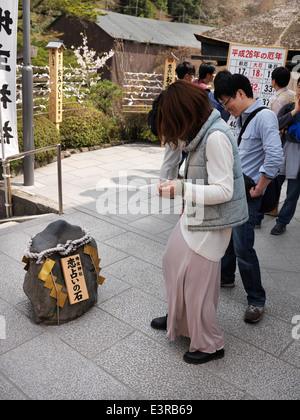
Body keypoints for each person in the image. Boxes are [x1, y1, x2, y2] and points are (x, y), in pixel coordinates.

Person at [151, 80, 248, 365]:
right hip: (198, 213)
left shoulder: (215, 137)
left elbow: (224, 191)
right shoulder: (200, 134)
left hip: (213, 221)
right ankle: (181, 322)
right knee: (172, 262)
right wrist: (178, 183)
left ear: (185, 114)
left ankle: (209, 344)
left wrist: (180, 189)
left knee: (196, 284)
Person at [214, 71, 284, 324]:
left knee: (243, 247)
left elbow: (275, 157)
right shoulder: (244, 117)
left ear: (241, 94)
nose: (225, 107)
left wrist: (259, 188)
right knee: (231, 237)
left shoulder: (264, 116)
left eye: (226, 101)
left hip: (250, 192)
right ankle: (226, 276)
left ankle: (256, 300)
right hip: (238, 189)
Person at [270, 77, 300, 236]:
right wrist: (294, 112)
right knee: (274, 184)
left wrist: (292, 129)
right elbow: (277, 124)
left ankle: (282, 222)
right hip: (284, 152)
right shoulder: (289, 106)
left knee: (293, 193)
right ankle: (261, 213)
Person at [159, 61, 196, 181]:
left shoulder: (173, 88)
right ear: (187, 76)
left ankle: (172, 181)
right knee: (171, 159)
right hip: (173, 128)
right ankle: (163, 183)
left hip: (173, 128)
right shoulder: (181, 90)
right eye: (192, 76)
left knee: (176, 157)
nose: (193, 78)